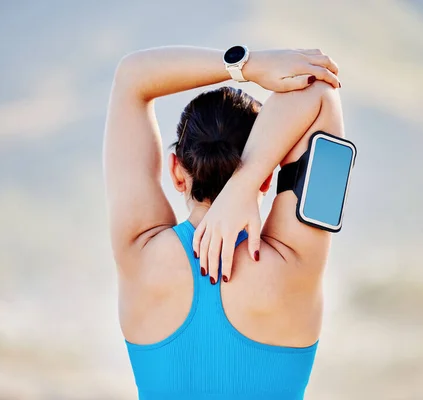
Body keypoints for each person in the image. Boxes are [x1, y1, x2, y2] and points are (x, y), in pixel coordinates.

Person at [104, 45, 344, 400]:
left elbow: (131, 75)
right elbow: (322, 92)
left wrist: (247, 66)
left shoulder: (140, 252)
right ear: (268, 177)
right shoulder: (295, 263)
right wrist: (244, 183)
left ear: (176, 171)